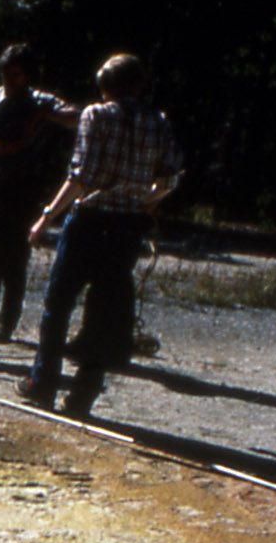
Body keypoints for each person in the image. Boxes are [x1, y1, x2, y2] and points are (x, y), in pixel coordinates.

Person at [18, 53, 182, 417]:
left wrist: (46, 216)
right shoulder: (158, 122)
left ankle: (41, 383)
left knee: (58, 304)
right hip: (127, 226)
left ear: (106, 86)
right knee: (104, 310)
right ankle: (83, 394)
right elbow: (170, 177)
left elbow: (82, 176)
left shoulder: (95, 115)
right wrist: (146, 201)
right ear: (139, 85)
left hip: (89, 220)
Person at [0, 44, 77, 342]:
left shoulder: (39, 100)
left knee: (15, 258)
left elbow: (76, 117)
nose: (10, 80)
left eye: (16, 74)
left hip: (25, 187)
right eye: (6, 73)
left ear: (27, 75)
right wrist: (0, 149)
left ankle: (6, 322)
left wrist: (42, 115)